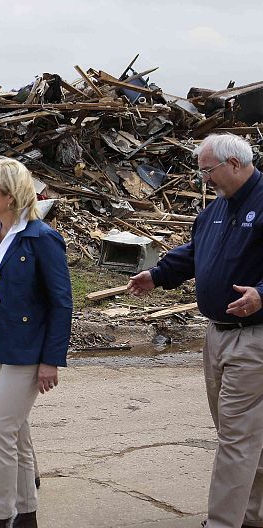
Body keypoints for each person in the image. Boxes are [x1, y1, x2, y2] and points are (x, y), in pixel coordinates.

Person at [128, 133, 263, 528]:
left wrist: (262, 295)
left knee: (236, 438)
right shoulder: (216, 210)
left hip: (254, 337)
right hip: (217, 335)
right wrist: (158, 274)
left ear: (234, 164)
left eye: (208, 171)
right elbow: (196, 252)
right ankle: (254, 514)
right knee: (238, 433)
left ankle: (223, 522)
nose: (203, 179)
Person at [0, 158, 72, 528]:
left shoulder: (42, 239)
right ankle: (27, 514)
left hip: (25, 350)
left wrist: (51, 360)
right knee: (16, 433)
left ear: (9, 196)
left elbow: (61, 302)